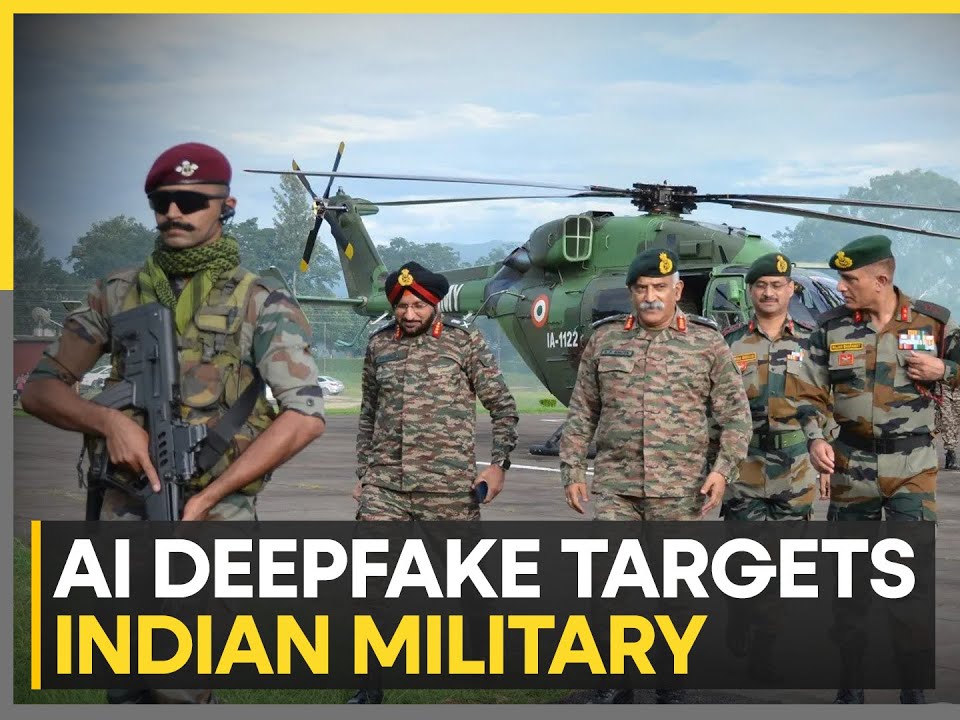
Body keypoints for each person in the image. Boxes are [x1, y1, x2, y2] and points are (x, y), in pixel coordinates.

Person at [20, 142, 327, 704]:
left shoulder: (260, 301)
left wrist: (209, 498)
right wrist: (109, 422)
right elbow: (40, 390)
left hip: (208, 520)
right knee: (123, 683)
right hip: (122, 508)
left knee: (180, 687)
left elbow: (304, 415)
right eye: (162, 201)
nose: (174, 212)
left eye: (191, 200)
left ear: (226, 205)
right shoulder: (116, 293)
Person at [794, 235, 960, 704]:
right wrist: (816, 437)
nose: (842, 287)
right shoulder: (831, 327)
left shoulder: (932, 321)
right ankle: (851, 681)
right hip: (852, 465)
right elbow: (806, 391)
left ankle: (911, 682)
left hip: (912, 467)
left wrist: (945, 370)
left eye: (850, 279)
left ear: (881, 279)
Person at [560, 247, 750, 704]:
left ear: (677, 290)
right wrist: (572, 469)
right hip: (617, 487)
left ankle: (671, 682)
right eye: (642, 288)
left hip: (680, 489)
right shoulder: (605, 339)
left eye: (660, 288)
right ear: (631, 292)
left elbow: (735, 417)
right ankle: (615, 680)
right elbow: (582, 412)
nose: (651, 297)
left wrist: (722, 471)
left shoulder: (706, 343)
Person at [347, 261, 518, 704]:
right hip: (386, 487)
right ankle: (369, 687)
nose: (409, 314)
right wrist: (365, 474)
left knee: (469, 582)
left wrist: (497, 465)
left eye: (417, 306)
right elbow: (369, 414)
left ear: (434, 303)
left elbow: (502, 407)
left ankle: (484, 664)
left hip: (447, 488)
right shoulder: (379, 345)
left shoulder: (464, 342)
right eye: (401, 306)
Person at [721, 252, 829, 521]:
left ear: (791, 289)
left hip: (796, 467)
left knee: (792, 548)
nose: (768, 293)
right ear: (750, 290)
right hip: (743, 467)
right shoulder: (728, 342)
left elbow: (828, 400)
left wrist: (828, 460)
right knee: (743, 547)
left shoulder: (812, 341)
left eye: (776, 285)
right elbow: (715, 404)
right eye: (761, 285)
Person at [935, 369, 960, 470]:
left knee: (955, 422)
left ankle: (950, 453)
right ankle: (951, 452)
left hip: (959, 390)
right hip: (943, 389)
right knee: (947, 420)